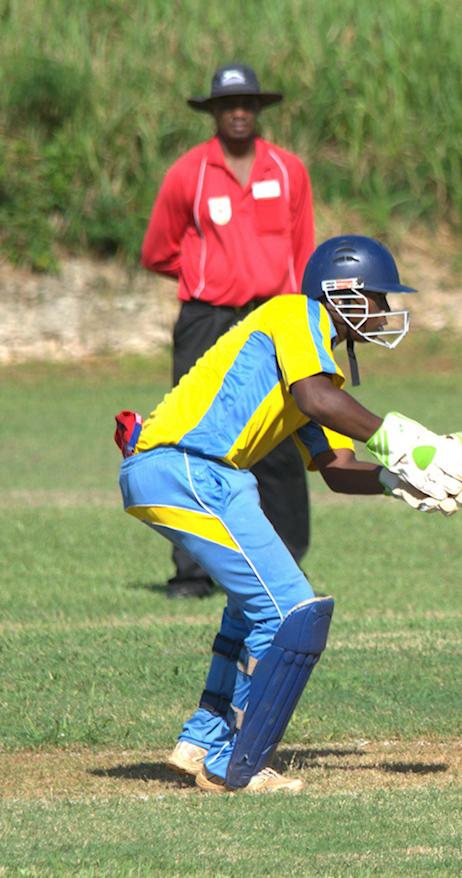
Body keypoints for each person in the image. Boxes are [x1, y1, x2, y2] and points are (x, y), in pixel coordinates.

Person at [117, 236, 462, 793]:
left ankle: (201, 740)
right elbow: (315, 399)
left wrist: (398, 481)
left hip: (210, 476)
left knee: (255, 605)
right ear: (342, 292)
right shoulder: (298, 314)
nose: (385, 312)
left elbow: (336, 467)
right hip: (188, 468)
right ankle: (235, 764)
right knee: (292, 613)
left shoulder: (314, 365)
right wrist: (407, 443)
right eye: (378, 298)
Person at [141, 63, 316, 599]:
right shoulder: (188, 173)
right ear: (213, 111)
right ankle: (192, 574)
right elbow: (157, 250)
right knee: (193, 439)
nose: (238, 113)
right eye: (228, 105)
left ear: (258, 110)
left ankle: (282, 564)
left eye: (247, 105)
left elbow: (305, 252)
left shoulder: (289, 172)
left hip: (276, 314)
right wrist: (207, 274)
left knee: (281, 438)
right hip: (207, 318)